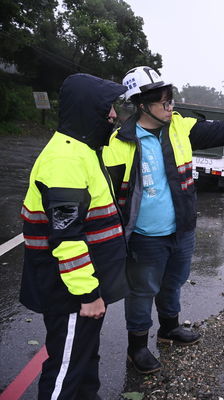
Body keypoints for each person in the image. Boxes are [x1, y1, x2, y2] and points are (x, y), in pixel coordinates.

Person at [103, 66, 224, 374]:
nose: (170, 106)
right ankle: (136, 346)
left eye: (171, 99)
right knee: (142, 292)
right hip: (144, 238)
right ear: (141, 104)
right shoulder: (118, 143)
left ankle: (169, 329)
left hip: (181, 230)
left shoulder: (180, 127)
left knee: (173, 283)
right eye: (163, 102)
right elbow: (107, 197)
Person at [20, 73, 129, 399]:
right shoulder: (65, 159)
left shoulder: (83, 151)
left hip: (81, 286)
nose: (113, 115)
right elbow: (66, 239)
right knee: (65, 370)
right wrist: (88, 294)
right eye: (107, 107)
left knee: (84, 361)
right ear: (88, 108)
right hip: (70, 292)